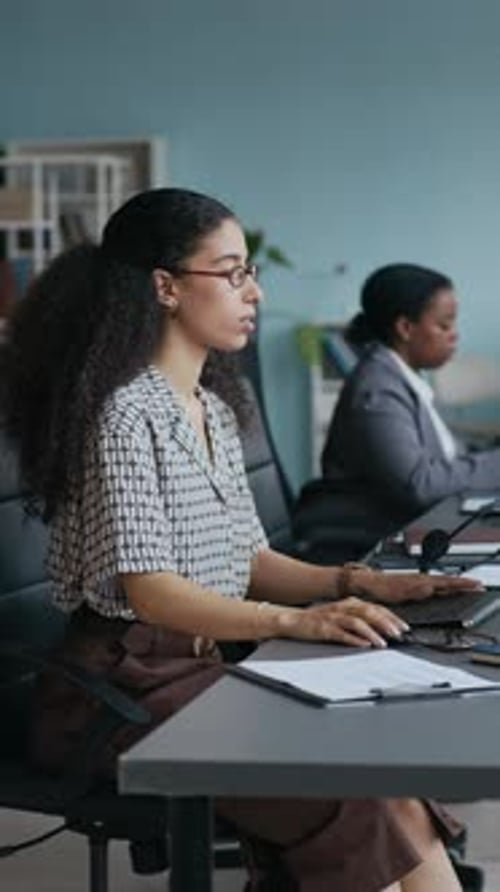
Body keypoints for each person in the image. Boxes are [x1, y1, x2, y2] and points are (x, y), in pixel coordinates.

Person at [1, 192, 476, 892]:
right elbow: (151, 590)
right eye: (230, 273)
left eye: (249, 271)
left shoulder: (213, 408)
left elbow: (249, 561)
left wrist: (360, 583)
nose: (252, 291)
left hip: (196, 664)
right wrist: (295, 621)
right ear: (165, 287)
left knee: (385, 780)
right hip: (113, 691)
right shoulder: (124, 415)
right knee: (355, 793)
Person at [299, 263, 500, 557]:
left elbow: (443, 456)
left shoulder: (401, 377)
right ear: (405, 328)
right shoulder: (378, 389)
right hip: (374, 536)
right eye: (444, 325)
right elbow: (419, 484)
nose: (454, 335)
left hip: (409, 526)